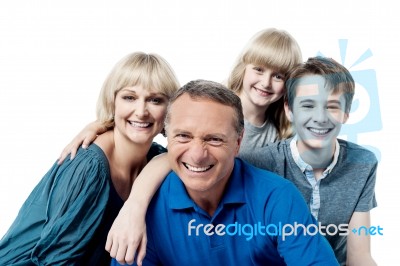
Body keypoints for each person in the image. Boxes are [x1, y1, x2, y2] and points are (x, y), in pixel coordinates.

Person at [56, 28, 303, 264]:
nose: (266, 82)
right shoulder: (212, 104)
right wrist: (134, 205)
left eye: (278, 75)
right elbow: (171, 155)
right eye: (259, 69)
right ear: (243, 68)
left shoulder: (280, 132)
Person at [112, 79, 338, 265]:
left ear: (238, 142)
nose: (197, 154)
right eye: (183, 136)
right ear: (167, 136)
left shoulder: (277, 198)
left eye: (214, 139)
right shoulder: (145, 211)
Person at [0, 52, 179, 265]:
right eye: (129, 97)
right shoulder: (89, 166)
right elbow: (56, 260)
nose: (141, 111)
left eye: (155, 100)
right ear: (112, 101)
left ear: (170, 110)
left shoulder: (155, 159)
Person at [239, 57, 378, 265]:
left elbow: (359, 256)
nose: (320, 118)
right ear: (289, 110)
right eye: (308, 105)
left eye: (332, 107)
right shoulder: (259, 163)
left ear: (346, 113)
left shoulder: (363, 163)